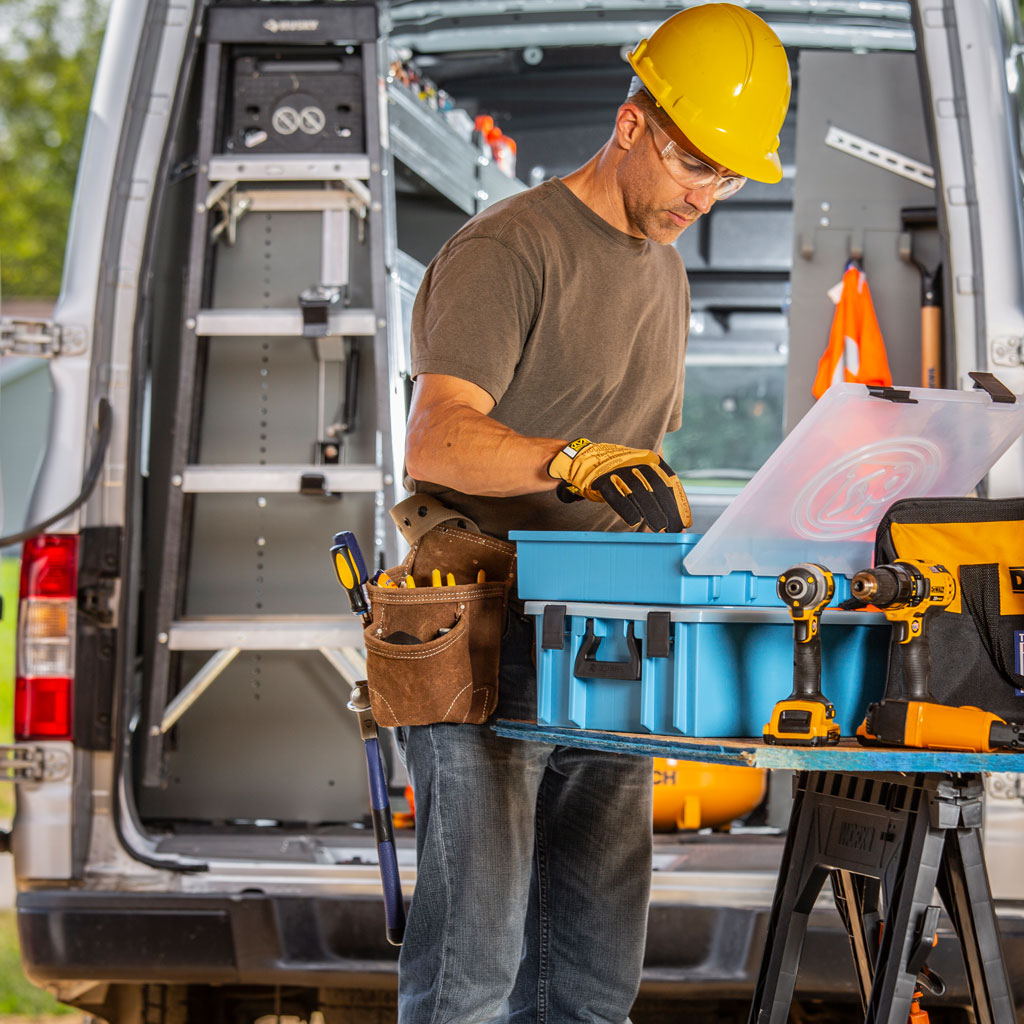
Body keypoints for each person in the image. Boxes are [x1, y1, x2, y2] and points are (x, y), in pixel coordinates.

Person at [396, 5, 791, 1022]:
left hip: (608, 640)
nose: (705, 196)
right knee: (474, 980)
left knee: (591, 983)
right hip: (487, 629)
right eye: (693, 164)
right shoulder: (507, 249)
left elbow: (637, 457)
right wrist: (566, 460)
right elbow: (435, 439)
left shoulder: (661, 270)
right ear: (629, 123)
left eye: (728, 176)